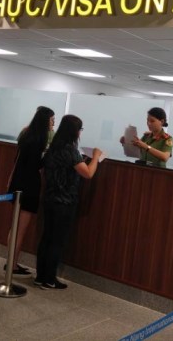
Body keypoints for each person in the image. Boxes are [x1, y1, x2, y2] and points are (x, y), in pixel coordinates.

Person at [34, 115, 101, 290]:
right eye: (80, 129)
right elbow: (88, 173)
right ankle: (50, 279)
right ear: (75, 131)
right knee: (57, 240)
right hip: (64, 202)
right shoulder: (70, 150)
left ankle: (40, 276)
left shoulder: (53, 148)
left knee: (46, 238)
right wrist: (95, 157)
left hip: (49, 199)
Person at [5, 106, 55, 277]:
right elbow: (36, 165)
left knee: (14, 226)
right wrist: (48, 156)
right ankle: (12, 265)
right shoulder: (39, 140)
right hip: (29, 186)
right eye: (51, 120)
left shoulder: (26, 134)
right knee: (20, 229)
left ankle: (11, 262)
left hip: (17, 182)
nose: (53, 123)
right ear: (45, 120)